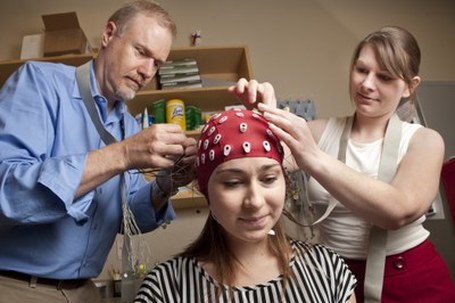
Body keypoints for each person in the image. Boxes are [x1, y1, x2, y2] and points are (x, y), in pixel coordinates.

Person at [229, 26, 455, 302]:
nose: (367, 84)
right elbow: (260, 163)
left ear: (410, 86)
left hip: (411, 280)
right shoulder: (317, 131)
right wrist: (262, 116)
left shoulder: (425, 141)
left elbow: (398, 210)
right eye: (362, 70)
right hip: (332, 277)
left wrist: (313, 157)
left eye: (384, 77)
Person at [0, 1, 196, 302]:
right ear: (108, 34)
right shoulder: (39, 82)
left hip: (85, 291)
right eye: (141, 52)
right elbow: (7, 193)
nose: (147, 71)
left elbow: (128, 218)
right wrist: (122, 155)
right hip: (17, 287)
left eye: (157, 63)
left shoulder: (129, 128)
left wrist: (165, 185)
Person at [134, 109, 357, 303]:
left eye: (269, 179)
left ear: (284, 182)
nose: (255, 201)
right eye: (232, 183)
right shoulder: (165, 288)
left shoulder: (327, 269)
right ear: (206, 190)